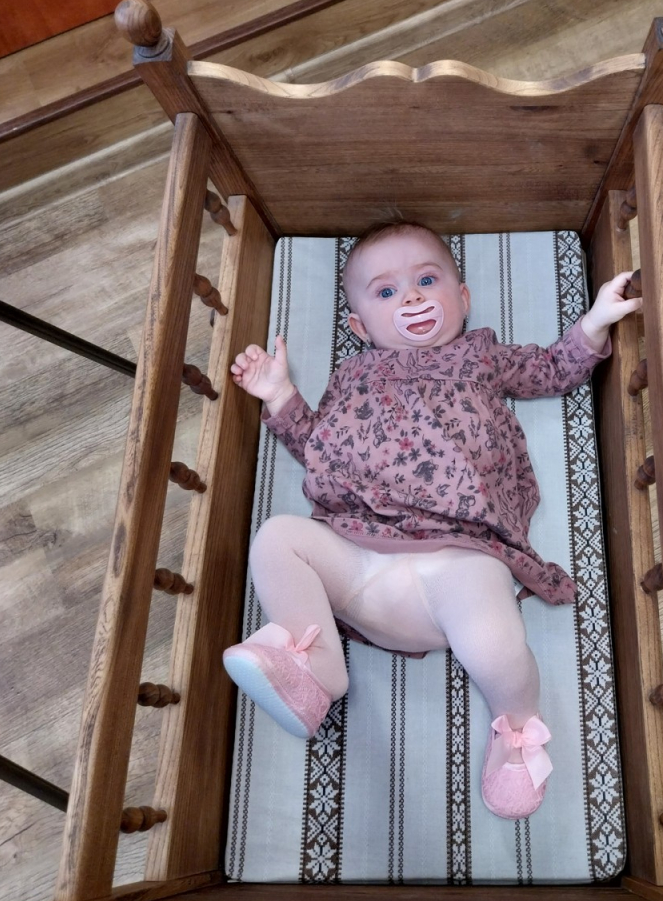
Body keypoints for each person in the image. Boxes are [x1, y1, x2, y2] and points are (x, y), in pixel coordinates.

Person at [223, 221, 640, 819]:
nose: (412, 298)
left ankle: (517, 729)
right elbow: (322, 448)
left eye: (426, 280)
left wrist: (595, 321)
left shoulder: (480, 355)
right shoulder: (352, 376)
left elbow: (552, 368)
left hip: (459, 555)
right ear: (359, 327)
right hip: (359, 556)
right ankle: (316, 666)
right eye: (386, 291)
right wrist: (280, 394)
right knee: (277, 538)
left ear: (462, 298)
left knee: (494, 645)